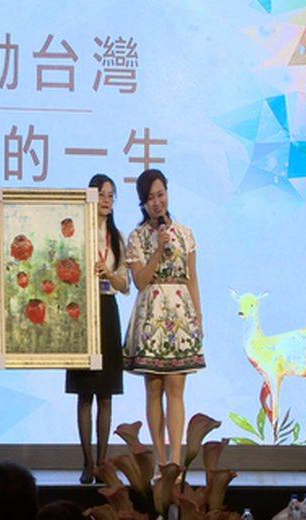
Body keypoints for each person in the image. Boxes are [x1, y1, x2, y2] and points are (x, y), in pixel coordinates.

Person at [124, 168, 204, 468]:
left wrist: (198, 317)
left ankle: (176, 462)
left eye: (160, 195)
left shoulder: (185, 233)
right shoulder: (136, 237)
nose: (157, 203)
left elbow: (192, 277)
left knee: (176, 388)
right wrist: (158, 250)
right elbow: (140, 281)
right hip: (151, 316)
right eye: (150, 198)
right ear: (142, 203)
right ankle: (160, 461)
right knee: (154, 388)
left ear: (167, 194)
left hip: (181, 315)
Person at [64, 174, 129, 484]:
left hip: (107, 309)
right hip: (81, 311)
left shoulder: (117, 237)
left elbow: (125, 285)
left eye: (110, 195)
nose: (106, 200)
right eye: (101, 194)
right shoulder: (77, 233)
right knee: (84, 393)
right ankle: (86, 463)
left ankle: (103, 463)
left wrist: (109, 274)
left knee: (105, 394)